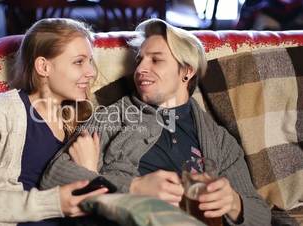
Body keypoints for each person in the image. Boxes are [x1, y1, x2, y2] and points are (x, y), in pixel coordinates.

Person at [40, 18, 271, 226]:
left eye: (156, 60)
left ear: (187, 71)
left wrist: (233, 203)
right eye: (139, 60)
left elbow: (262, 215)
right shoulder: (112, 118)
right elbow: (54, 176)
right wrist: (133, 188)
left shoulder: (218, 141)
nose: (140, 69)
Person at [0, 18, 108, 226]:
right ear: (44, 67)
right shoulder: (2, 111)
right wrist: (51, 203)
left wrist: (89, 172)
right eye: (79, 62)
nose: (91, 72)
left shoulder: (84, 122)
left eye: (90, 61)